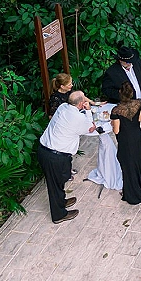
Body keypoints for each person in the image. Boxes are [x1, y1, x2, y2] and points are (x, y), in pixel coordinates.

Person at [38, 90, 96, 224]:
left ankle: (61, 201)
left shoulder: (63, 107)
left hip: (46, 150)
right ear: (81, 103)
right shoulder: (78, 118)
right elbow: (90, 128)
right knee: (55, 184)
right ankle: (58, 215)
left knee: (60, 180)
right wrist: (88, 111)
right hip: (54, 156)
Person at [111, 83, 141, 204]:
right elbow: (139, 119)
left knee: (127, 164)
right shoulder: (139, 104)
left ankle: (132, 191)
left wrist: (112, 124)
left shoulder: (116, 111)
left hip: (125, 139)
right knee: (137, 160)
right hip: (136, 136)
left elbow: (116, 130)